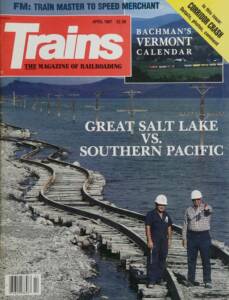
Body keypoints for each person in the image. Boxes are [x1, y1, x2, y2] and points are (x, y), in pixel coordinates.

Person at [182, 190, 213, 288]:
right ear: (192, 200)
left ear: (201, 199)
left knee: (206, 259)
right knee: (191, 260)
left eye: (198, 199)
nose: (197, 201)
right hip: (191, 237)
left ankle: (207, 281)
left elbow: (209, 211)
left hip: (204, 236)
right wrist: (184, 238)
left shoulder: (206, 207)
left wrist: (206, 208)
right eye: (195, 200)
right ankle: (190, 280)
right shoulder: (188, 210)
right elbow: (185, 224)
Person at [145, 194, 173, 288]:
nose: (162, 206)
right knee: (153, 261)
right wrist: (149, 240)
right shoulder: (150, 214)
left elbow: (169, 227)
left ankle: (159, 279)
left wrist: (169, 239)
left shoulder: (166, 215)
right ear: (156, 204)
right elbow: (148, 228)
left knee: (162, 260)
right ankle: (151, 280)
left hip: (164, 241)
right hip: (154, 241)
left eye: (163, 205)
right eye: (160, 204)